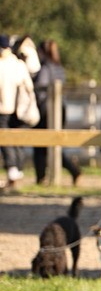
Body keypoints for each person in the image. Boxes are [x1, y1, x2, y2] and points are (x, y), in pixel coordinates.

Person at [32, 39, 82, 185]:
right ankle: (73, 170)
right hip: (61, 108)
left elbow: (41, 89)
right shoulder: (58, 67)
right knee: (54, 143)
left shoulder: (45, 68)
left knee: (40, 144)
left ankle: (41, 177)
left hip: (46, 110)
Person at [0, 34, 39, 188]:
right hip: (18, 109)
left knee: (5, 141)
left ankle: (13, 170)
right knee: (17, 141)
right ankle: (18, 171)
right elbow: (29, 86)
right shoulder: (18, 64)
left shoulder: (3, 65)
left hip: (4, 108)